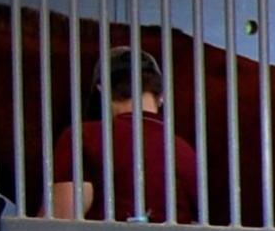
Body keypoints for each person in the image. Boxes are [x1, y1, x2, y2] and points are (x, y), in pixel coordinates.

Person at [50, 48, 201, 222]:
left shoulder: (85, 136)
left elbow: (61, 220)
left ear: (102, 90)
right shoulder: (183, 149)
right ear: (162, 96)